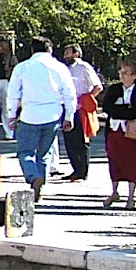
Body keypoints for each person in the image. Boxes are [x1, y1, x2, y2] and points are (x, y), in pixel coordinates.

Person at [4, 36, 76, 203]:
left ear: (32, 50)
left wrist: (11, 115)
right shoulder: (60, 68)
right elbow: (69, 93)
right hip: (52, 116)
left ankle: (33, 176)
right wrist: (69, 116)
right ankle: (40, 185)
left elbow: (13, 93)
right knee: (45, 154)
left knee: (25, 152)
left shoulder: (22, 67)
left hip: (29, 115)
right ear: (50, 49)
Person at [98, 59, 136, 209]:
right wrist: (126, 109)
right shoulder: (114, 89)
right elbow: (108, 107)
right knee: (115, 161)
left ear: (134, 75)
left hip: (133, 132)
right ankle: (114, 191)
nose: (122, 75)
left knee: (133, 162)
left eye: (126, 72)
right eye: (121, 72)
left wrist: (121, 109)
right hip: (115, 130)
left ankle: (131, 196)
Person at [60, 43, 103, 182]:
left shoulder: (84, 67)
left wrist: (86, 100)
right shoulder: (65, 69)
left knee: (81, 140)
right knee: (69, 140)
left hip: (80, 109)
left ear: (76, 54)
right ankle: (75, 169)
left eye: (68, 53)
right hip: (68, 108)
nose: (65, 56)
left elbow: (98, 86)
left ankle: (82, 171)